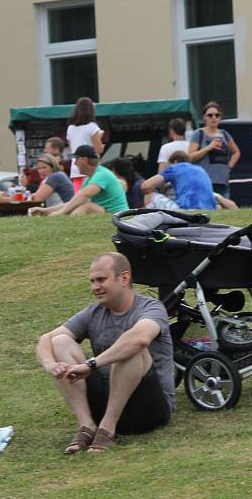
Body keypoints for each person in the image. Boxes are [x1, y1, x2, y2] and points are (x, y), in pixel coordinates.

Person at [36, 252, 173, 454]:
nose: (95, 287)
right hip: (104, 405)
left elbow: (139, 339)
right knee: (59, 342)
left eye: (101, 280)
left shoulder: (152, 308)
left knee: (132, 348)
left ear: (124, 278)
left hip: (149, 410)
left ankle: (108, 429)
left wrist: (91, 365)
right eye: (92, 281)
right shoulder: (93, 313)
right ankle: (87, 426)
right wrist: (50, 364)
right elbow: (45, 340)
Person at [29, 145, 128, 216]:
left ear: (84, 160)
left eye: (76, 159)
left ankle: (67, 229)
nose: (75, 164)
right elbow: (74, 201)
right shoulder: (89, 178)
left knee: (86, 206)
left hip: (119, 217)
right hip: (109, 214)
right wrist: (45, 211)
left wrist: (61, 213)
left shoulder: (101, 174)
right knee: (81, 205)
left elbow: (84, 195)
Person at [188, 102, 240, 199]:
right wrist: (208, 147)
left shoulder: (224, 134)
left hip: (222, 181)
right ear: (204, 117)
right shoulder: (199, 134)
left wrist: (229, 166)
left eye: (217, 115)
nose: (214, 118)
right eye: (210, 115)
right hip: (204, 181)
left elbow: (236, 152)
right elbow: (190, 157)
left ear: (220, 117)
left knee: (224, 211)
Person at [140, 151, 216, 210]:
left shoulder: (175, 167)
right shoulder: (200, 169)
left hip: (186, 208)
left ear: (175, 162)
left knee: (149, 195)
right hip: (209, 209)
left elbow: (146, 186)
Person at [66, 97, 104, 193]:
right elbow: (98, 150)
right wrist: (100, 137)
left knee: (78, 197)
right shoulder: (92, 127)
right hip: (90, 168)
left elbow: (72, 148)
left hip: (76, 168)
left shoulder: (70, 128)